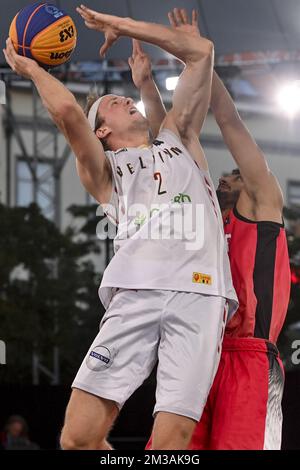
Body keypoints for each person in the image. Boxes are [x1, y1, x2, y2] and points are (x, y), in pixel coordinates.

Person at [3, 6, 237, 450]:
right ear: (103, 130)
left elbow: (202, 53)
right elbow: (69, 114)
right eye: (114, 102)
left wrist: (125, 29)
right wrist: (32, 68)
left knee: (173, 441)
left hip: (201, 293)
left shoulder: (178, 140)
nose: (125, 99)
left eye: (126, 97)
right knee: (77, 438)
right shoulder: (105, 170)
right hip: (135, 292)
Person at [139, 9, 291, 450]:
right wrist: (148, 86)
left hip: (249, 357)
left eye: (234, 175)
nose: (224, 178)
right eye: (223, 175)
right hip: (200, 354)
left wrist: (199, 60)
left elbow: (228, 121)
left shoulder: (262, 203)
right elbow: (174, 146)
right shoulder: (208, 214)